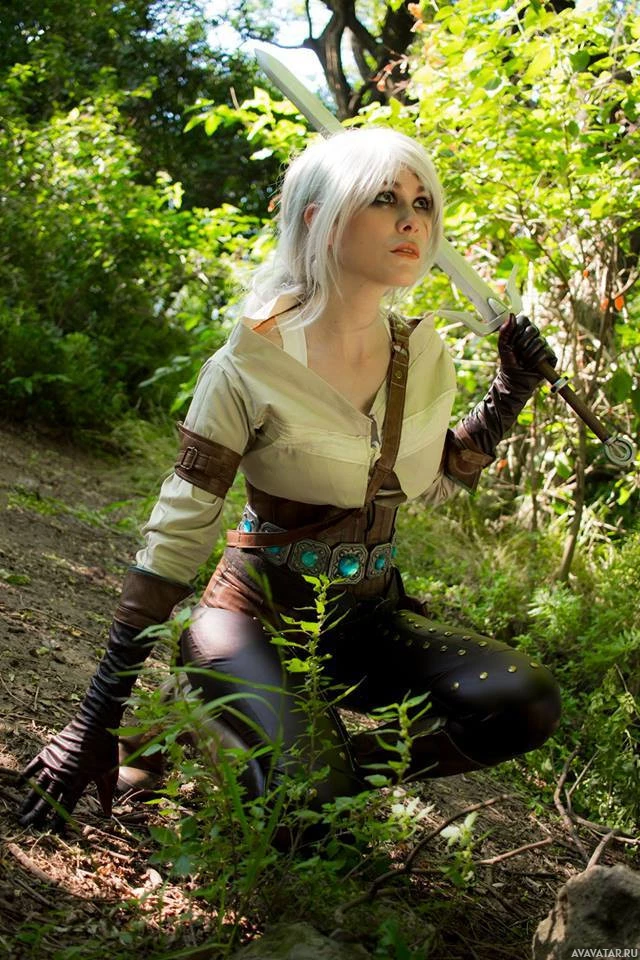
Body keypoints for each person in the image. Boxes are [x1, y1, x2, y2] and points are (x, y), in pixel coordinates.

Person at [18, 127, 561, 834]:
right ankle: (239, 732)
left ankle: (297, 770)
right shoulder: (249, 365)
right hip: (251, 620)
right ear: (318, 218)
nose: (412, 221)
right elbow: (176, 537)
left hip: (363, 623)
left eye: (423, 203)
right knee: (302, 813)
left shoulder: (424, 355)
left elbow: (428, 478)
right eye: (384, 199)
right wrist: (94, 722)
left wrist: (511, 390)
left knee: (522, 704)